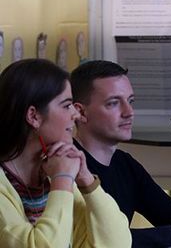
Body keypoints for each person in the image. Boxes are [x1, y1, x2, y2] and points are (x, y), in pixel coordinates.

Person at [70, 59, 171, 247]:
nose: (129, 112)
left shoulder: (125, 164)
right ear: (80, 112)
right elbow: (98, 241)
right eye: (113, 103)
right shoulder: (67, 166)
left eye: (130, 101)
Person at [0, 58, 131, 248]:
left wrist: (87, 182)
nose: (76, 114)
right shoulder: (59, 177)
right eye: (66, 105)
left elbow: (118, 244)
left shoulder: (55, 172)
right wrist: (63, 179)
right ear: (34, 116)